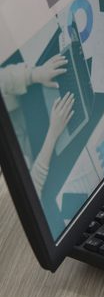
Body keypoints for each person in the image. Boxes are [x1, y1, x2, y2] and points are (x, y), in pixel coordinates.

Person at [0, 54, 74, 194]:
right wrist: (53, 134)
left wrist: (35, 74)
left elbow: (3, 79)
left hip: (27, 101)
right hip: (40, 154)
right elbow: (31, 191)